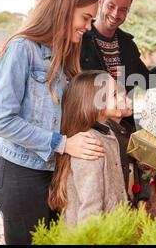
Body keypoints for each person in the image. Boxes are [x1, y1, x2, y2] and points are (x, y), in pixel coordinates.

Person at [0, 0, 105, 245]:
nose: (88, 27)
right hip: (20, 177)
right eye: (85, 18)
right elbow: (2, 121)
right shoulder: (21, 48)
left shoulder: (64, 54)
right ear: (64, 8)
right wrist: (62, 144)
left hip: (51, 177)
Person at [48, 70, 148, 226]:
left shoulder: (107, 135)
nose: (121, 98)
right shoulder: (89, 143)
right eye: (114, 95)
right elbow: (90, 207)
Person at [80, 0, 156, 128]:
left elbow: (149, 80)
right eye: (111, 6)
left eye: (123, 9)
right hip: (87, 130)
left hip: (122, 130)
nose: (116, 14)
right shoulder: (80, 40)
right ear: (100, 2)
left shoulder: (127, 44)